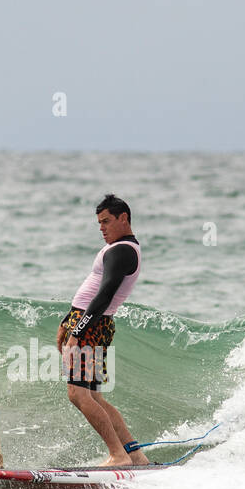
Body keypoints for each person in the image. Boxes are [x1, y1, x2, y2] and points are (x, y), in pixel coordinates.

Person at [56, 194, 151, 467]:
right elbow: (93, 293)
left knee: (78, 394)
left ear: (124, 218)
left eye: (107, 221)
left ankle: (118, 455)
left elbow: (105, 294)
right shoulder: (122, 248)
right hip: (91, 323)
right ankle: (134, 454)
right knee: (94, 396)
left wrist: (78, 331)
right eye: (99, 223)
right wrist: (67, 322)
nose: (102, 228)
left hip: (92, 325)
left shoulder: (121, 251)